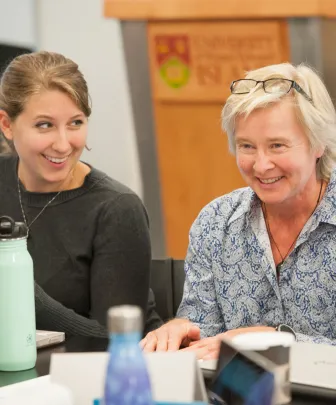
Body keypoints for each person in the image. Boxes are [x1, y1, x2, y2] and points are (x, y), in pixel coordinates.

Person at [141, 63, 336, 358]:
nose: (261, 165)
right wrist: (179, 330)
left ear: (318, 143)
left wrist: (275, 340)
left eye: (277, 145)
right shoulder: (215, 222)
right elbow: (202, 331)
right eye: (246, 146)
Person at [0, 51, 162, 337]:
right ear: (6, 124)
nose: (63, 145)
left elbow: (115, 339)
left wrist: (17, 288)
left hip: (89, 376)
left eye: (75, 123)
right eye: (45, 125)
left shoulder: (116, 209)